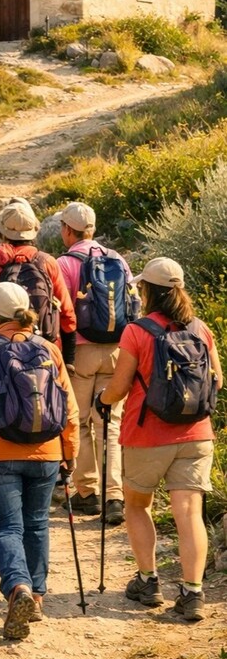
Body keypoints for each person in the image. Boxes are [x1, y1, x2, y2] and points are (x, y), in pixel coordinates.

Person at [97, 257, 222, 622]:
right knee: (189, 512)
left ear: (148, 290)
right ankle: (193, 593)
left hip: (147, 435)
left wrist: (101, 398)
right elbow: (218, 381)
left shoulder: (137, 332)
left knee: (137, 505)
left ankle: (148, 581)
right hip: (197, 434)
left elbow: (119, 389)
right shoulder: (201, 329)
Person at [0, 282, 79, 640]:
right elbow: (69, 408)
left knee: (8, 528)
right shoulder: (49, 349)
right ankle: (36, 596)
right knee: (37, 523)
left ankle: (17, 587)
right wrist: (69, 454)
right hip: (47, 452)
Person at [56, 201, 138, 526]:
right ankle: (115, 497)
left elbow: (62, 312)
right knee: (111, 424)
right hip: (118, 350)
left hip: (81, 352)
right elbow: (132, 303)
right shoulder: (117, 258)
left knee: (80, 422)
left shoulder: (64, 263)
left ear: (66, 229)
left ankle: (87, 493)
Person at [0, 199, 77, 367]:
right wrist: (69, 359)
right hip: (45, 350)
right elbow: (66, 312)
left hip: (1, 351)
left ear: (1, 232)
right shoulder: (47, 262)